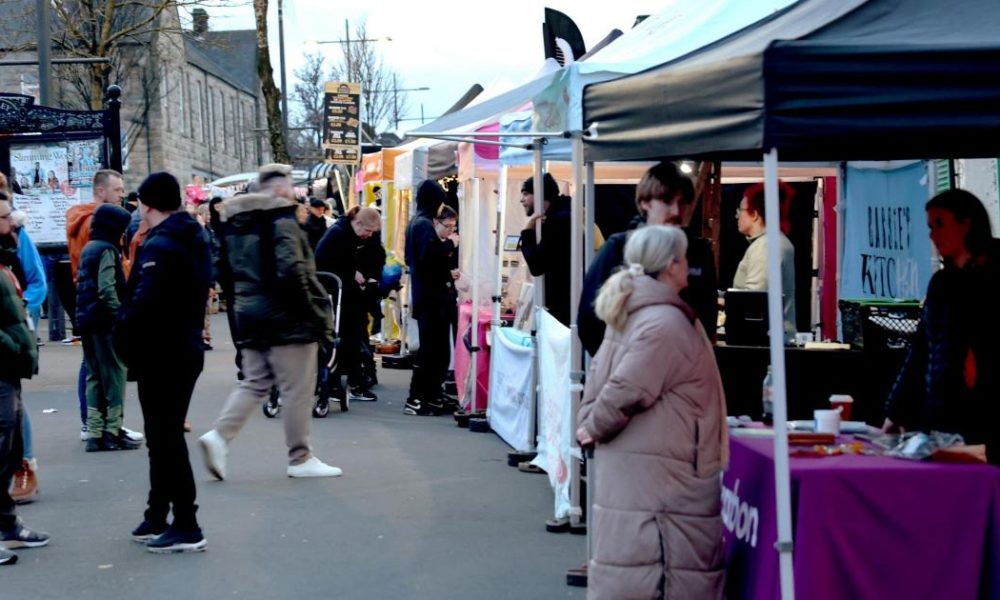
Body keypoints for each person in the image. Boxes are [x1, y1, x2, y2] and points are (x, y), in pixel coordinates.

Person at [576, 225, 727, 599]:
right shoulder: (664, 322)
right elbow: (624, 391)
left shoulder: (636, 311)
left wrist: (590, 429)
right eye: (683, 258)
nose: (689, 266)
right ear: (671, 265)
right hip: (664, 483)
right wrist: (591, 428)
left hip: (647, 472)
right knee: (659, 578)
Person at [199, 164, 341, 481]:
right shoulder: (282, 220)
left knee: (255, 381)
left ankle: (219, 436)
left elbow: (222, 270)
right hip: (286, 315)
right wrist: (313, 313)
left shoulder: (233, 221)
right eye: (290, 186)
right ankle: (300, 457)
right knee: (296, 389)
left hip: (248, 312)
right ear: (279, 189)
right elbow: (292, 270)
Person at [115, 172, 211, 553]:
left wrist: (122, 332)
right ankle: (158, 514)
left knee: (166, 438)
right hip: (178, 347)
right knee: (161, 435)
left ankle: (186, 522)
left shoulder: (163, 244)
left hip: (163, 351)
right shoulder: (189, 236)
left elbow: (145, 302)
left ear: (149, 205)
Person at [884, 189, 1000, 464]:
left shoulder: (992, 276)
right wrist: (897, 411)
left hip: (983, 418)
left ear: (966, 223)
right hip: (942, 416)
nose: (933, 235)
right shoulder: (943, 284)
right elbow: (921, 348)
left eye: (939, 224)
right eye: (930, 226)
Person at [578, 161, 719, 357]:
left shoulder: (698, 251)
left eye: (682, 202)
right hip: (627, 370)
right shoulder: (619, 247)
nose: (676, 211)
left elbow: (707, 317)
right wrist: (618, 361)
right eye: (667, 202)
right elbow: (589, 318)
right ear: (645, 203)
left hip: (680, 371)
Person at [0, 195, 49, 565]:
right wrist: (12, 346)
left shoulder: (8, 254)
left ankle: (7, 524)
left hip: (9, 369)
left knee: (10, 444)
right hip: (3, 364)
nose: (13, 223)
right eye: (5, 217)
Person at [77, 204, 139, 452]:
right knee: (114, 374)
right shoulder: (107, 250)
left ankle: (94, 432)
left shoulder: (88, 248)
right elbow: (106, 289)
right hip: (105, 323)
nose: (124, 235)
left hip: (87, 321)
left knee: (94, 376)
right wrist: (119, 315)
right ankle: (112, 430)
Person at [314, 206, 381, 401]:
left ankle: (347, 381)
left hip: (340, 292)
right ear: (358, 223)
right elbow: (328, 262)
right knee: (347, 337)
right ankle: (346, 382)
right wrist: (353, 274)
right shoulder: (341, 234)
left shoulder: (343, 231)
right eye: (367, 231)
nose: (368, 235)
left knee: (349, 337)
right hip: (338, 294)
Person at [404, 181, 459, 416]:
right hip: (432, 297)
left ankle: (430, 394)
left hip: (425, 294)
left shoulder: (416, 222)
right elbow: (430, 258)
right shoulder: (424, 225)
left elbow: (416, 259)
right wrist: (448, 245)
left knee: (434, 349)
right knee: (432, 350)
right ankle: (419, 397)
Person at [7, 210, 45, 503]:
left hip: (9, 335)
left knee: (12, 401)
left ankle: (25, 465)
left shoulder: (17, 238)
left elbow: (37, 283)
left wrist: (20, 312)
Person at [732, 181, 797, 342]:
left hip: (763, 342)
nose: (737, 215)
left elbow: (754, 300)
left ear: (754, 214)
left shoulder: (767, 246)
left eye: (740, 210)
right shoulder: (773, 242)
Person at [519, 173, 572, 327]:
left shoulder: (558, 221)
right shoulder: (565, 213)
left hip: (563, 307)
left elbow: (536, 266)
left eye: (526, 193)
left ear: (541, 194)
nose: (522, 199)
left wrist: (528, 230)